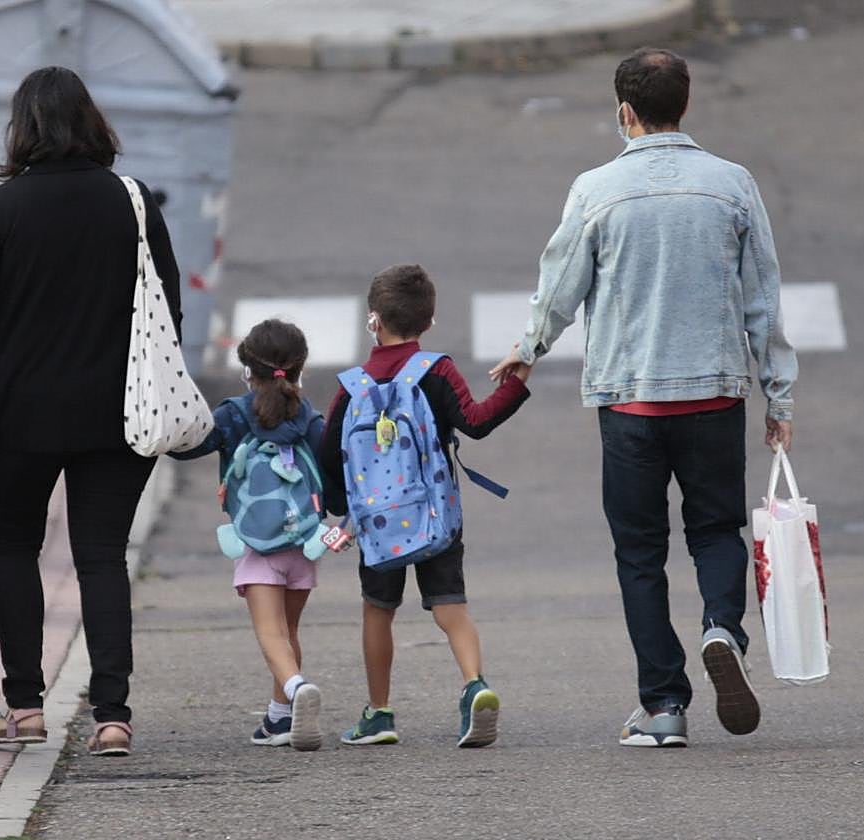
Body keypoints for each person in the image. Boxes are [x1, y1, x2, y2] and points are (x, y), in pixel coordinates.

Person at [491, 47, 798, 748]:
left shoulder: (595, 190)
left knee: (640, 554)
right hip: (714, 396)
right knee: (716, 532)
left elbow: (561, 281)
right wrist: (778, 398)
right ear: (685, 105)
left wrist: (529, 347)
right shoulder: (733, 184)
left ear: (624, 111)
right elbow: (763, 301)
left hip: (629, 406)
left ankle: (663, 707)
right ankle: (723, 628)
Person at [0, 66, 181, 757]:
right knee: (102, 556)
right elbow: (169, 308)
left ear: (24, 127)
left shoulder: (0, 209)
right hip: (118, 413)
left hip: (20, 414)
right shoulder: (130, 201)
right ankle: (113, 715)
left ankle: (25, 707)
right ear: (91, 122)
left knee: (14, 549)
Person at [319, 263, 531, 748]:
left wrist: (339, 511)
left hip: (376, 525)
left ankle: (379, 714)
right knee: (451, 608)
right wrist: (514, 384)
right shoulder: (437, 371)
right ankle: (475, 684)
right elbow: (475, 421)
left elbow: (329, 452)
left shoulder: (352, 386)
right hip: (435, 518)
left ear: (373, 320)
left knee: (378, 610)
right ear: (429, 322)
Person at [171, 319, 326, 751]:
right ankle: (279, 720)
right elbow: (331, 475)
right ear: (300, 369)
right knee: (289, 630)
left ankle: (296, 690)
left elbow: (189, 445)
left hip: (258, 546)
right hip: (303, 545)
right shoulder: (311, 418)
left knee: (270, 633)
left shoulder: (234, 415)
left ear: (246, 371)